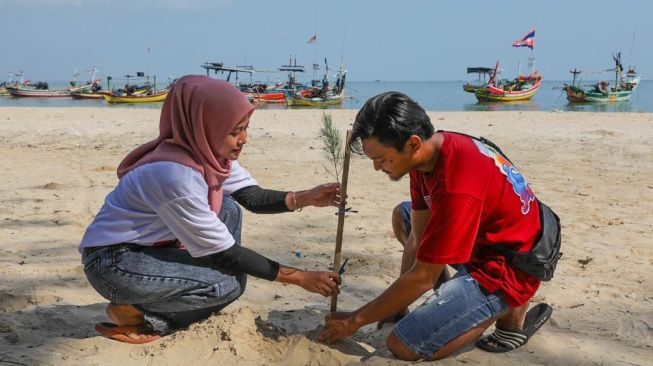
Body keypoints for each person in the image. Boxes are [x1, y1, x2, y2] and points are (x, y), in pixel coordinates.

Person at [80, 75, 341, 344]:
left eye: (245, 128)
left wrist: (306, 197)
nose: (244, 139)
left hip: (148, 248)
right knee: (227, 285)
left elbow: (251, 197)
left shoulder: (209, 154)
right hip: (113, 263)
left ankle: (189, 288)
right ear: (205, 127)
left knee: (228, 208)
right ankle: (138, 313)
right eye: (234, 132)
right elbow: (225, 253)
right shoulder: (174, 175)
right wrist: (301, 277)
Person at [320, 92, 553, 360]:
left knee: (405, 345)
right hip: (484, 240)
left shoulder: (457, 184)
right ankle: (458, 299)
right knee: (404, 214)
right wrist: (394, 306)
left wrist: (354, 320)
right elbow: (417, 239)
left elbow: (423, 277)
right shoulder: (428, 156)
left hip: (510, 266)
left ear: (412, 144)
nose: (377, 167)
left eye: (382, 159)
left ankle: (506, 306)